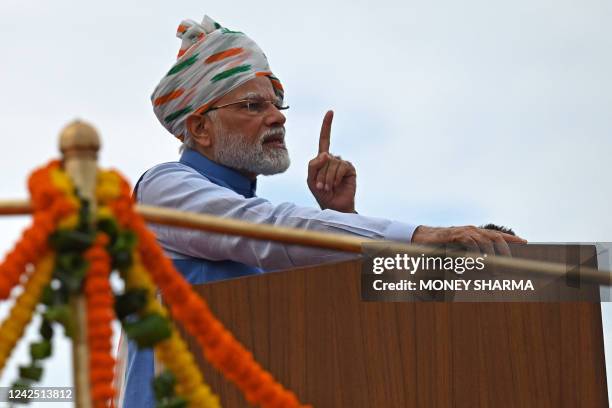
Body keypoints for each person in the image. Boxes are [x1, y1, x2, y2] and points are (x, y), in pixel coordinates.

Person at [120, 14, 526, 407]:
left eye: (277, 104)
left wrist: (342, 216)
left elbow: (332, 324)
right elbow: (266, 233)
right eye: (252, 106)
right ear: (200, 129)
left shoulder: (254, 217)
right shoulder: (163, 189)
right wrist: (419, 237)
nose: (277, 117)